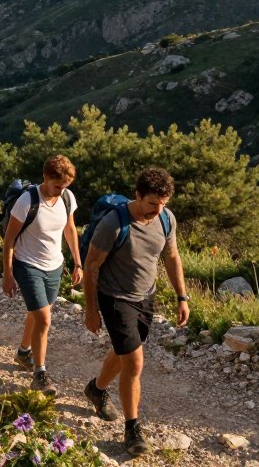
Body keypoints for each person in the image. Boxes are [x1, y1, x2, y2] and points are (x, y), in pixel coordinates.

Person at [82, 167, 189, 456]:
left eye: (163, 203)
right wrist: (90, 310)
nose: (158, 209)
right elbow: (91, 268)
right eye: (153, 203)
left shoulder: (166, 219)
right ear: (138, 195)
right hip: (115, 298)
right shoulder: (113, 224)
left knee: (124, 351)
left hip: (146, 297)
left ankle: (96, 388)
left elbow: (172, 256)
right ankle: (132, 429)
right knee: (135, 362)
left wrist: (182, 296)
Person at [2, 155, 82, 396]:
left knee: (38, 314)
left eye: (66, 185)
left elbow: (70, 229)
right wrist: (7, 274)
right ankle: (40, 374)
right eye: (58, 185)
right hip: (27, 265)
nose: (62, 189)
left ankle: (24, 352)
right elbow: (9, 241)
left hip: (54, 266)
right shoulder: (27, 201)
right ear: (46, 178)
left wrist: (78, 262)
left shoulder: (67, 197)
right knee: (44, 319)